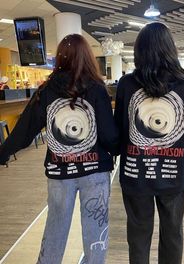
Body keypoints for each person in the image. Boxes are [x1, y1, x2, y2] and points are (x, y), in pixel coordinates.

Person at [0, 34, 119, 264]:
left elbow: (25, 131)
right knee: (96, 230)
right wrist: (116, 147)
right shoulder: (96, 89)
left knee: (55, 229)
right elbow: (108, 134)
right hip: (95, 172)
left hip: (59, 172)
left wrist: (3, 152)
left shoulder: (45, 91)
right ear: (87, 57)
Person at [114, 22, 184, 264]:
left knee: (138, 235)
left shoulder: (126, 84)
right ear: (170, 49)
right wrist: (175, 142)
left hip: (135, 174)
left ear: (139, 50)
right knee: (172, 233)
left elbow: (120, 130)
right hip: (173, 173)